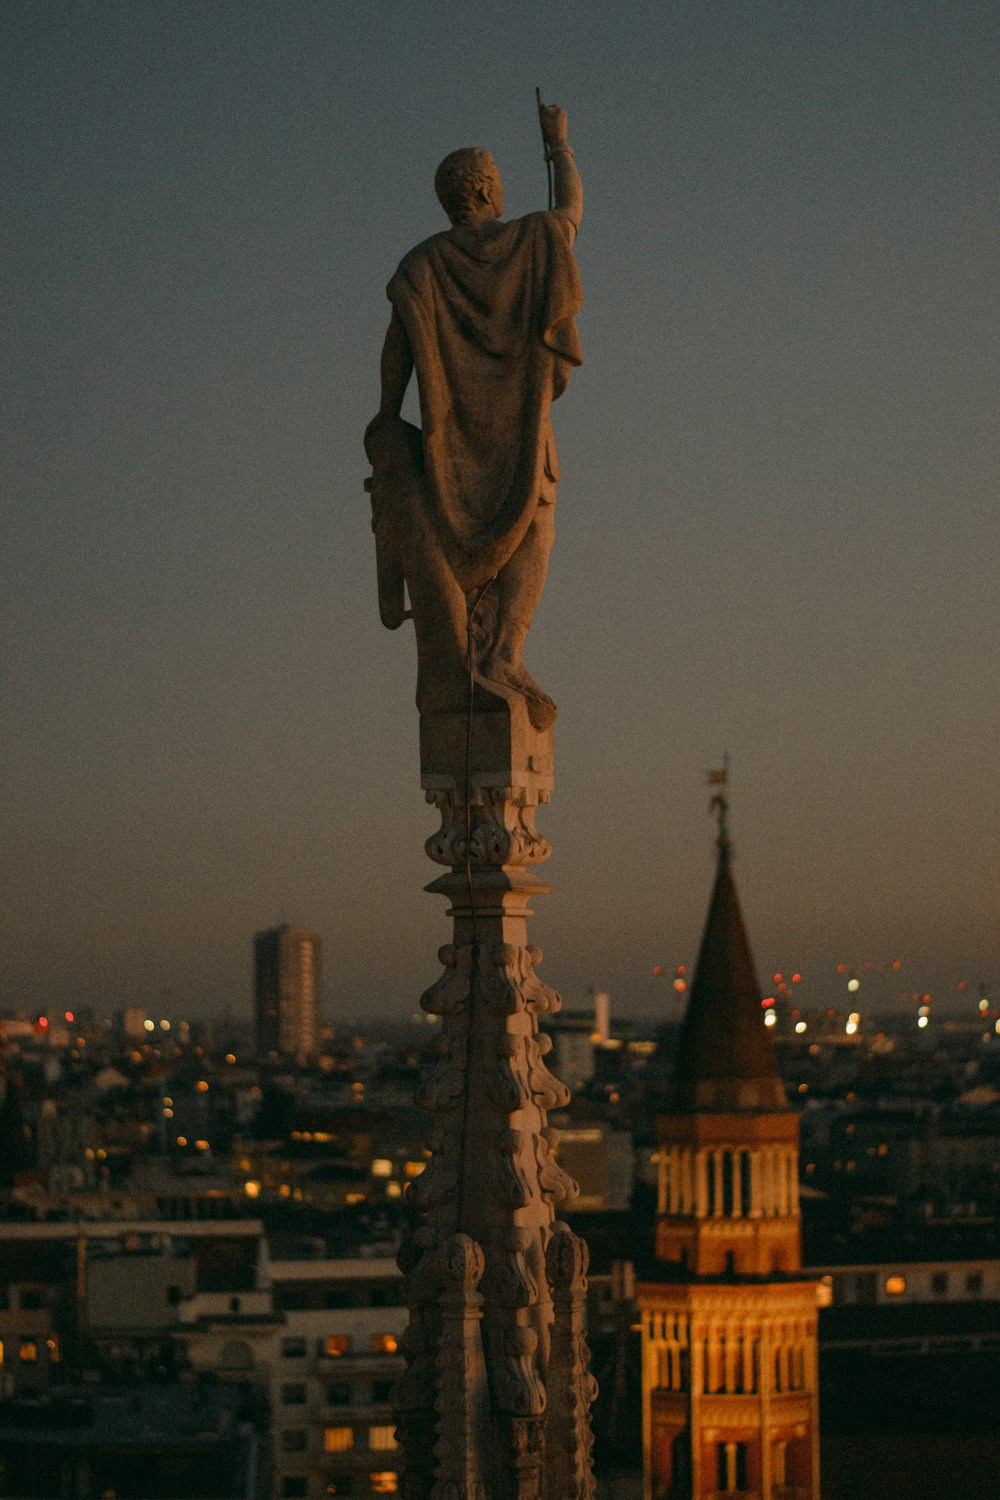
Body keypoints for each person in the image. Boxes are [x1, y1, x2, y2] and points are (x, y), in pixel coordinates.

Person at [365, 102, 583, 729]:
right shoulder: (531, 240)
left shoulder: (420, 266)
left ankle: (496, 660)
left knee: (501, 532)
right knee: (536, 524)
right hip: (519, 433)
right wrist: (559, 146)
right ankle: (505, 653)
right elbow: (570, 212)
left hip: (449, 443)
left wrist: (386, 414)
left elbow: (396, 347)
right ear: (487, 189)